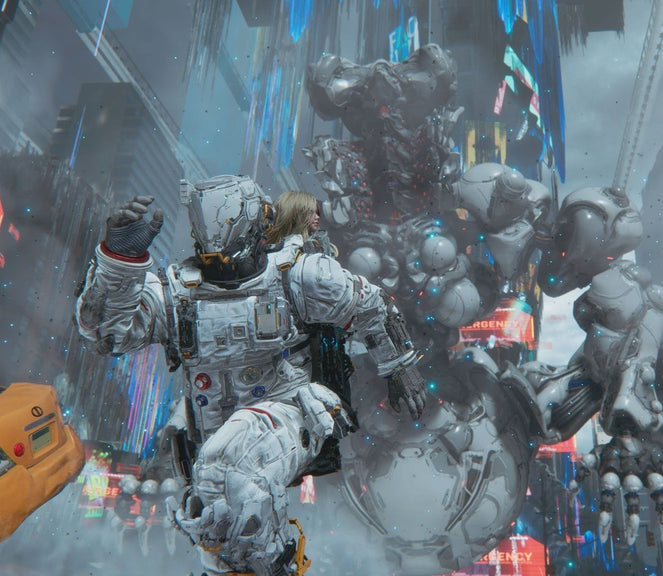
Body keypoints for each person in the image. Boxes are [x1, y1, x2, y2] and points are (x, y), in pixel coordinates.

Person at [75, 175, 426, 576]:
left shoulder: (298, 276)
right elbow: (106, 334)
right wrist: (118, 262)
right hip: (212, 434)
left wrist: (400, 368)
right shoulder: (177, 293)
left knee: (227, 471)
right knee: (215, 517)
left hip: (292, 410)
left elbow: (372, 306)